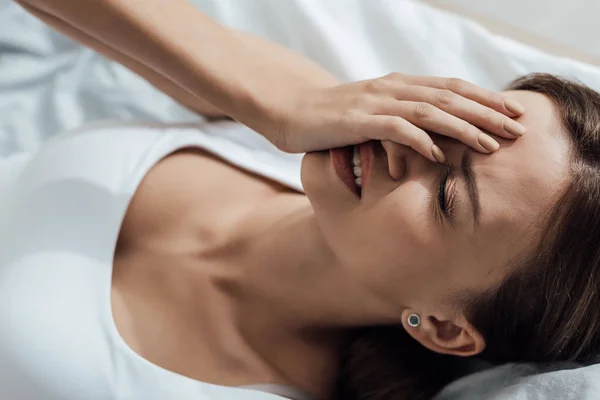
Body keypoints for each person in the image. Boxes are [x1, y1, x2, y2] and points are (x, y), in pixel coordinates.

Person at [3, 2, 600, 400]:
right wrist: (277, 102)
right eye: (457, 120)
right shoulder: (306, 113)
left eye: (447, 196)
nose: (407, 142)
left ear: (442, 329)